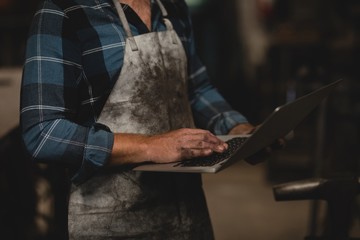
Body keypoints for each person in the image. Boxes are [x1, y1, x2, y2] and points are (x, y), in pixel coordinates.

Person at [20, 0, 255, 239]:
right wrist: (150, 145)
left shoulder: (171, 7)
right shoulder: (64, 12)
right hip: (111, 221)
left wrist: (237, 127)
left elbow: (196, 88)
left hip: (188, 215)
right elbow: (43, 133)